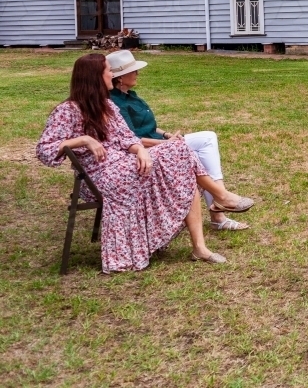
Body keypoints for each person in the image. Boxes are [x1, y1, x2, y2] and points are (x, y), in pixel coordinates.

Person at [36, 54, 244, 271]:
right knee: (180, 151)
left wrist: (140, 151)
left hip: (126, 167)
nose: (112, 74)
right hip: (100, 177)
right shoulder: (68, 110)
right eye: (108, 70)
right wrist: (83, 139)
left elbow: (127, 138)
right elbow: (44, 150)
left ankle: (200, 246)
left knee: (183, 164)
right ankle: (220, 196)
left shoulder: (106, 105)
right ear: (95, 76)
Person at [106, 50, 252, 231]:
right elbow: (130, 138)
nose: (138, 73)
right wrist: (168, 144)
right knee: (204, 146)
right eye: (134, 70)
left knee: (208, 138)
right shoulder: (116, 103)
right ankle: (219, 208)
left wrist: (167, 134)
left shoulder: (130, 95)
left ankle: (220, 204)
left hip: (160, 142)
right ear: (120, 77)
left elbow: (149, 127)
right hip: (147, 151)